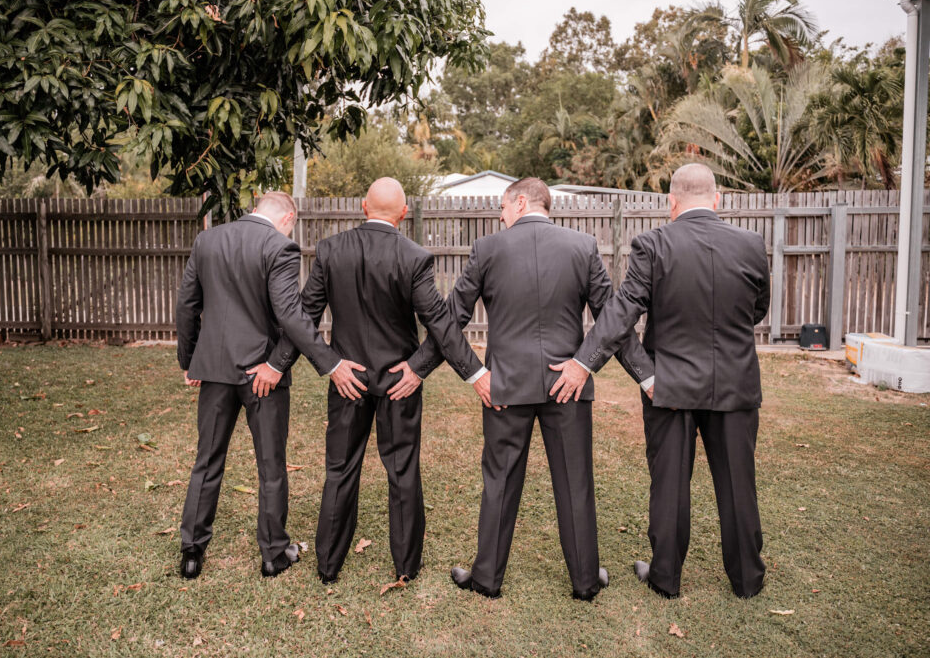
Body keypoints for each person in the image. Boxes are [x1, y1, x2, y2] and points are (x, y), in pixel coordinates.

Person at [409, 177, 654, 601]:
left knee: (499, 480)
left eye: (502, 209)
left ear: (520, 202)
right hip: (569, 386)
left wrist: (432, 370)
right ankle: (585, 581)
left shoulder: (488, 249)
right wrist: (641, 375)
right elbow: (613, 320)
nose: (500, 217)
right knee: (575, 482)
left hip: (505, 385)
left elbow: (450, 320)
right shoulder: (582, 246)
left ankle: (486, 578)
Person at [273, 177, 487, 585]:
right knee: (402, 470)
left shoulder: (332, 250)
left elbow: (304, 316)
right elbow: (440, 324)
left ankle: (328, 565)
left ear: (363, 207)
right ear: (404, 214)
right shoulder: (414, 256)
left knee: (340, 469)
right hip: (397, 381)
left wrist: (325, 364)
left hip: (347, 379)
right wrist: (461, 372)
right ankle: (406, 566)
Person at [577, 163, 770, 599]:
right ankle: (747, 580)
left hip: (670, 386)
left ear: (672, 201)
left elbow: (623, 312)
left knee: (669, 484)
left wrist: (584, 362)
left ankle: (665, 577)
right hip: (736, 386)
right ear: (717, 198)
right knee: (739, 483)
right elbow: (758, 309)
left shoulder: (652, 244)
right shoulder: (751, 244)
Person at [175, 191, 366, 580]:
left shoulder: (207, 240)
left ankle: (192, 552)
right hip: (263, 374)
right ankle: (274, 554)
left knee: (207, 459)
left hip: (213, 369)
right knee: (271, 465)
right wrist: (329, 363)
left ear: (255, 209)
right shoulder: (280, 246)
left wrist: (190, 359)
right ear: (288, 217)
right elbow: (291, 316)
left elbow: (187, 304)